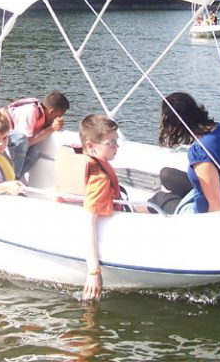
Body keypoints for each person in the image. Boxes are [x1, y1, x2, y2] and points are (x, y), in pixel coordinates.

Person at [148, 92, 220, 215]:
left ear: (175, 124)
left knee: (158, 199)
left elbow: (216, 205)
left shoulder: (200, 152)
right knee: (166, 174)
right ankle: (176, 198)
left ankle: (129, 211)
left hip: (218, 213)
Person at [78, 114, 125, 300]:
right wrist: (94, 272)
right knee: (163, 203)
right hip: (113, 218)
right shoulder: (100, 180)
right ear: (91, 146)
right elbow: (88, 221)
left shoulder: (82, 159)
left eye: (116, 141)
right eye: (111, 143)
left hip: (113, 206)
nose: (116, 147)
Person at [5, 91, 69, 178]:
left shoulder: (43, 117)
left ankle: (16, 178)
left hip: (15, 140)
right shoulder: (30, 111)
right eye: (59, 115)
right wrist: (51, 128)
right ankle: (11, 179)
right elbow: (24, 141)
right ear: (51, 111)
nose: (59, 118)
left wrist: (51, 127)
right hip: (3, 133)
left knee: (35, 151)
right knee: (22, 140)